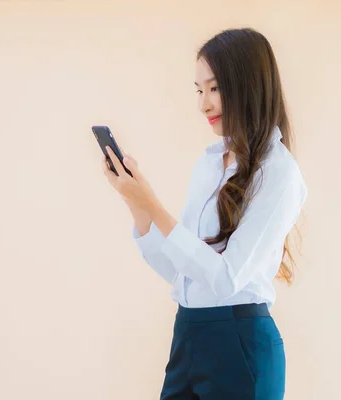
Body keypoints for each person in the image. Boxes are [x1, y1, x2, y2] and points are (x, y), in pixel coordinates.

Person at [101, 27, 308, 399]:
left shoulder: (279, 173)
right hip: (188, 336)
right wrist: (135, 202)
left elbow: (226, 279)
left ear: (249, 86)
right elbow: (185, 275)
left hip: (240, 345)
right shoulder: (210, 163)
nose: (204, 104)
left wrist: (154, 206)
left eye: (215, 88)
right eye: (199, 90)